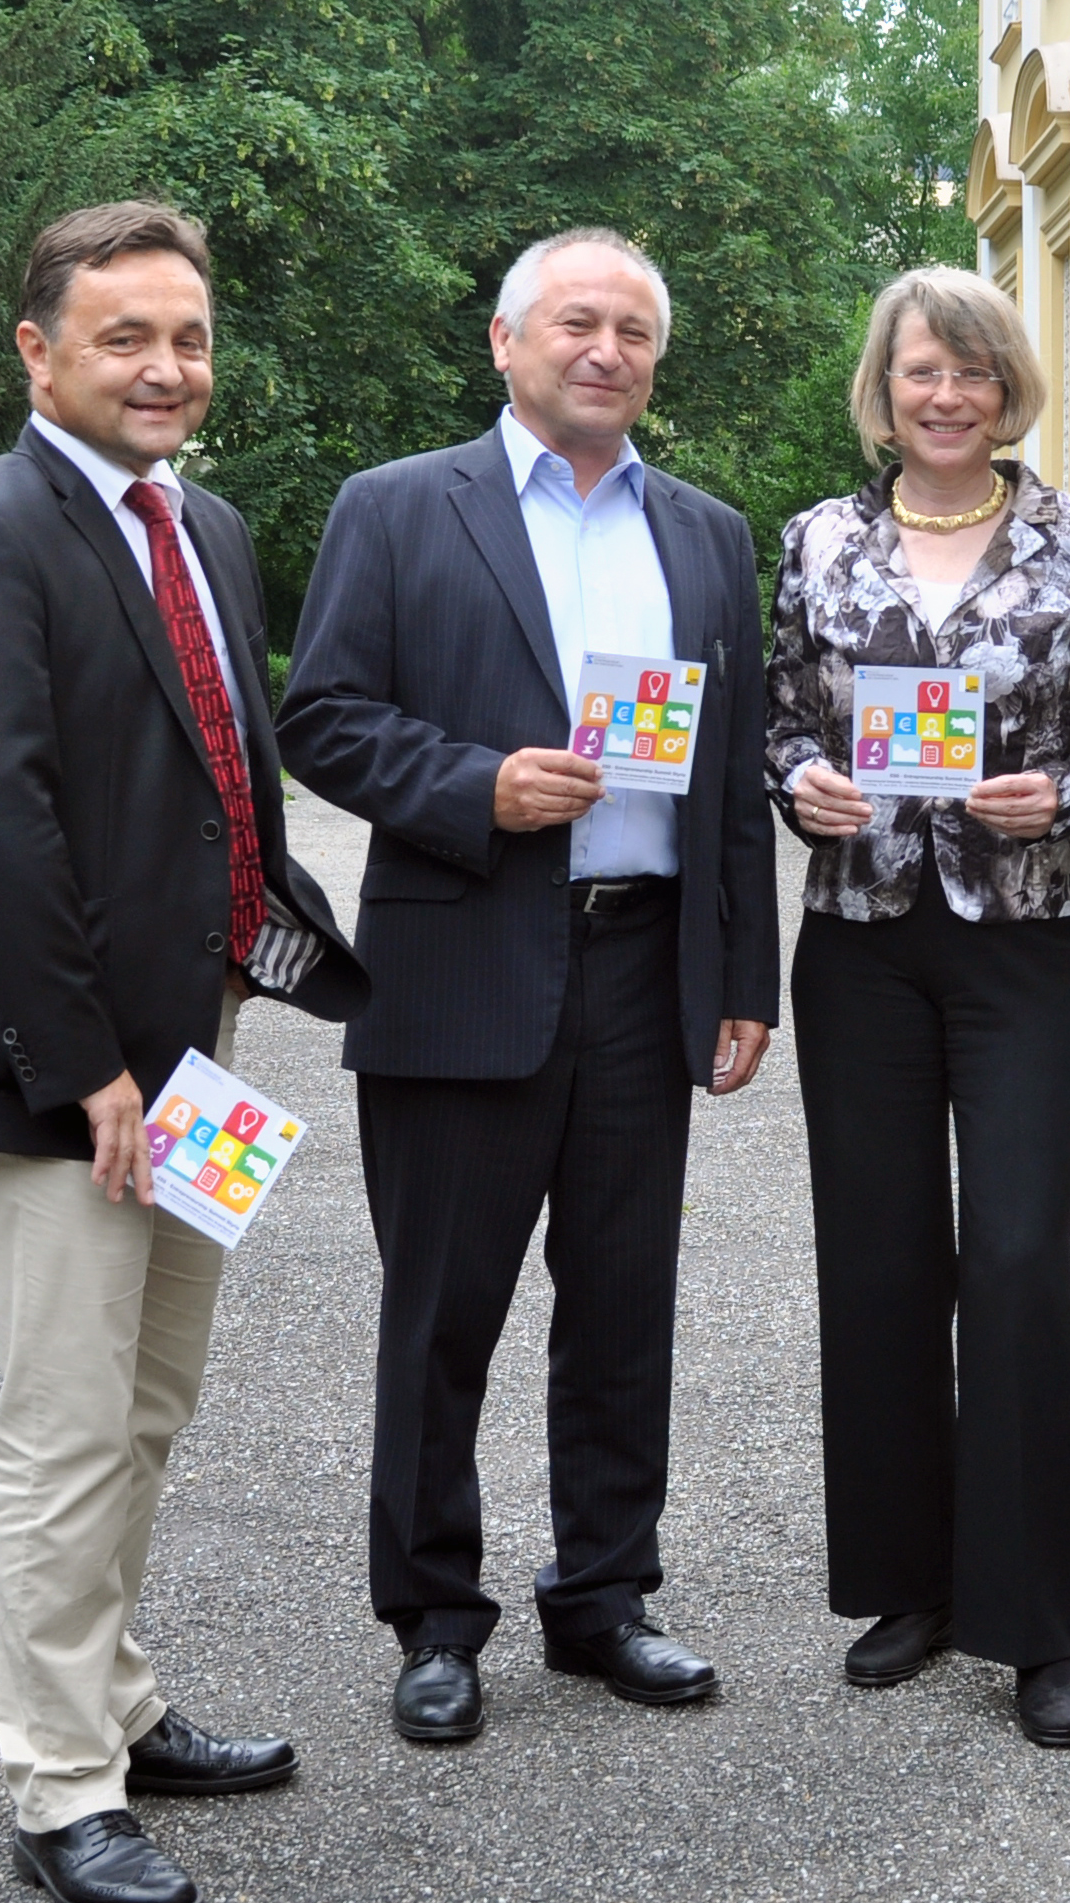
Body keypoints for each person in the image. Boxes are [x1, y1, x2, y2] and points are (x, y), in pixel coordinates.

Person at [0, 202, 368, 1903]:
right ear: (36, 352)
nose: (168, 369)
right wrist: (86, 1063)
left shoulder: (209, 527)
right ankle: (59, 1780)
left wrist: (301, 963)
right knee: (67, 1426)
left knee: (152, 1406)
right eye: (124, 338)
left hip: (198, 1055)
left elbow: (227, 779)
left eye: (189, 337)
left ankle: (122, 1705)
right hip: (59, 1072)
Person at [276, 228, 778, 1743]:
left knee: (624, 1303)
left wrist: (743, 976)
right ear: (506, 342)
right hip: (460, 956)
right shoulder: (396, 508)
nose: (606, 349)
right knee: (442, 1314)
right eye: (577, 322)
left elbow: (733, 782)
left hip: (643, 962)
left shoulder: (705, 535)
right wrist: (476, 786)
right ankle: (434, 1617)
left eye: (633, 328)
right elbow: (323, 717)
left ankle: (606, 1594)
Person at [765, 268, 1070, 1749]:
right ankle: (909, 1585)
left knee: (1011, 1259)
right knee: (876, 1266)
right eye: (924, 371)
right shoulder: (819, 540)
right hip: (860, 936)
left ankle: (1032, 1621)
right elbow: (781, 721)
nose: (948, 396)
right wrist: (797, 783)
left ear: (1009, 388)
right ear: (887, 383)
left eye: (975, 373)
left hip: (1022, 939)